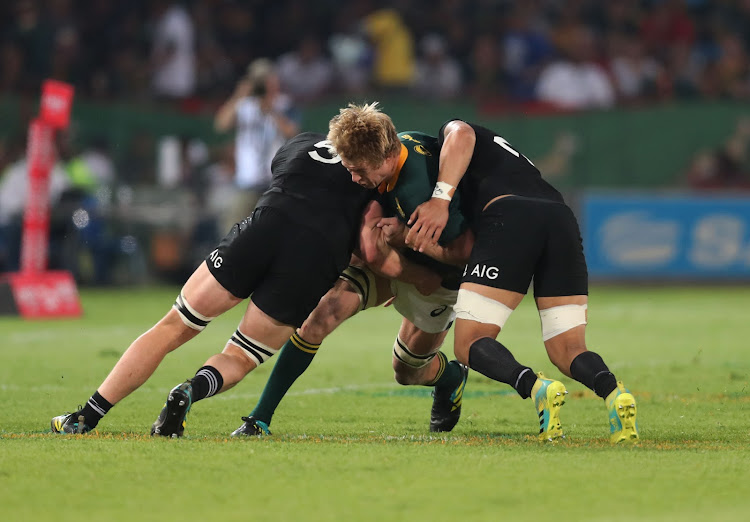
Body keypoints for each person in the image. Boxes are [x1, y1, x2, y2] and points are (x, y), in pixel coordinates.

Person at [50, 104, 395, 435]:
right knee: (242, 354)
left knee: (173, 325)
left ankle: (85, 416)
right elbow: (368, 245)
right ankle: (190, 389)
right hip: (315, 257)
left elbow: (279, 171)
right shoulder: (380, 179)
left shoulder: (302, 142)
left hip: (264, 228)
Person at [399, 119, 639, 444]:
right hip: (560, 216)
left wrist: (440, 199)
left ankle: (536, 388)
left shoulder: (452, 137)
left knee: (470, 343)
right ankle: (615, 394)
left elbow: (461, 132)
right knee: (568, 348)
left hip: (509, 214)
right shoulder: (504, 152)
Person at [230, 128, 475, 437]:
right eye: (350, 168)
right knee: (320, 317)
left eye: (359, 171)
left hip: (440, 276)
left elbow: (465, 253)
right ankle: (259, 419)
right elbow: (371, 247)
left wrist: (418, 256)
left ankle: (451, 378)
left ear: (386, 156)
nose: (354, 178)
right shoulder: (377, 162)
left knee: (408, 370)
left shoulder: (420, 186)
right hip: (392, 261)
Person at [213, 58, 300, 236]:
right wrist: (238, 95)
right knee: (233, 235)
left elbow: (292, 132)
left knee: (274, 235)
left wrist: (271, 108)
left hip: (275, 184)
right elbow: (221, 125)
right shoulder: (244, 106)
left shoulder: (284, 104)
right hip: (247, 182)